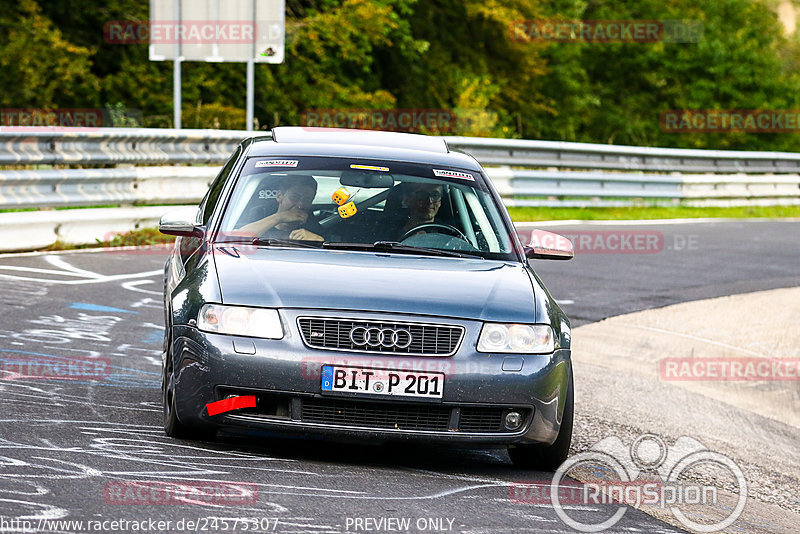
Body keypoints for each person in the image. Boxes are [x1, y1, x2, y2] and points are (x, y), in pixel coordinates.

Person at [237, 175, 325, 241]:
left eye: (307, 200)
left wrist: (318, 240)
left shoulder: (313, 227)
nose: (300, 205)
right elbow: (237, 238)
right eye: (294, 198)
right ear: (279, 196)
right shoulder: (258, 215)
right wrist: (279, 217)